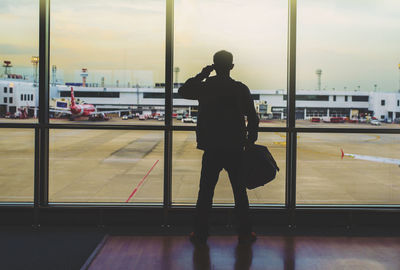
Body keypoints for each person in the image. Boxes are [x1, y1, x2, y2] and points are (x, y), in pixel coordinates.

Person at [178, 50, 259, 244]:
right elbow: (253, 117)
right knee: (240, 192)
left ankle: (200, 233)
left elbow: (183, 91)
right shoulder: (240, 88)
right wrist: (250, 139)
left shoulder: (206, 87)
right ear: (232, 66)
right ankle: (245, 232)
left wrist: (203, 74)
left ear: (214, 65)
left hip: (212, 146)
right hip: (235, 147)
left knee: (205, 192)